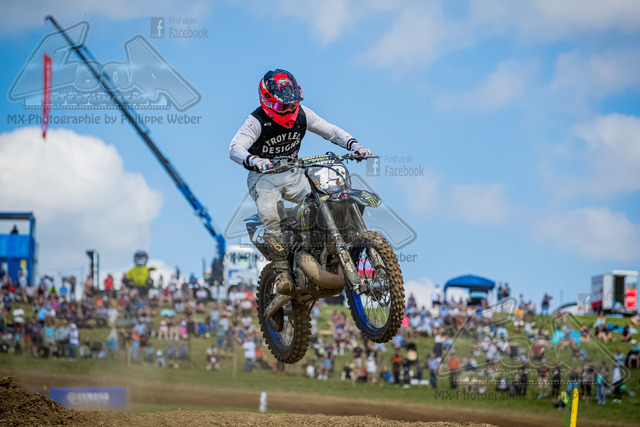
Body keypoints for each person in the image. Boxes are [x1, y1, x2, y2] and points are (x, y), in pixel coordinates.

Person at [229, 69, 371, 296]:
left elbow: (331, 131)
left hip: (294, 172)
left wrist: (354, 145)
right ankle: (282, 270)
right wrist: (254, 160)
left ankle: (325, 248)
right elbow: (235, 147)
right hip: (263, 176)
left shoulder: (303, 114)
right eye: (283, 105)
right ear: (267, 101)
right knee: (271, 213)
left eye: (292, 103)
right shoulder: (256, 120)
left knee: (325, 199)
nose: (289, 108)